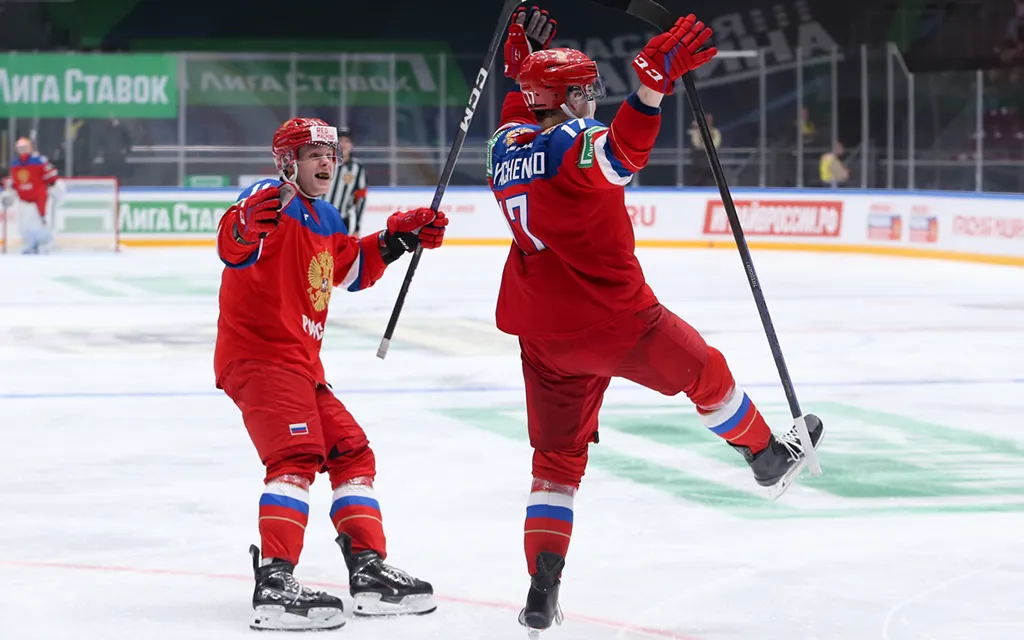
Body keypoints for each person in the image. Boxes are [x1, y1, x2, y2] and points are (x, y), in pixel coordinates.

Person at [488, 7, 824, 634]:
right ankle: (765, 458)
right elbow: (620, 157)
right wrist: (650, 88)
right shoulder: (569, 142)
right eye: (584, 89)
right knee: (707, 374)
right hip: (617, 320)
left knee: (555, 464)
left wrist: (522, 73)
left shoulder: (504, 147)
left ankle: (541, 590)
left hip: (543, 336)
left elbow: (523, 115)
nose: (592, 97)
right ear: (564, 98)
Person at [214, 117, 448, 631]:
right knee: (295, 454)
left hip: (301, 366)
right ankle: (275, 581)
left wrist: (397, 237)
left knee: (350, 450)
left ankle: (368, 570)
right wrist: (244, 225)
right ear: (287, 163)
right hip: (260, 356)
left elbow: (349, 269)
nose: (326, 162)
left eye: (330, 155)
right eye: (313, 154)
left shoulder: (326, 216)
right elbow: (233, 244)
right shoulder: (269, 198)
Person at [1, 137, 64, 254]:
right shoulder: (15, 163)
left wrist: (54, 187)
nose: (22, 150)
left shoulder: (39, 160)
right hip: (24, 200)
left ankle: (45, 245)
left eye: (24, 147)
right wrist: (10, 187)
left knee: (41, 222)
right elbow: (16, 181)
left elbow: (52, 176)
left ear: (30, 147)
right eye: (20, 148)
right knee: (24, 224)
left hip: (40, 199)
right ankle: (30, 244)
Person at [321, 126, 367, 235]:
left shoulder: (357, 168)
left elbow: (360, 199)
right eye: (340, 141)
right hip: (319, 218)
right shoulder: (324, 162)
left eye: (347, 141)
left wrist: (357, 228)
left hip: (341, 221)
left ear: (352, 145)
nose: (343, 144)